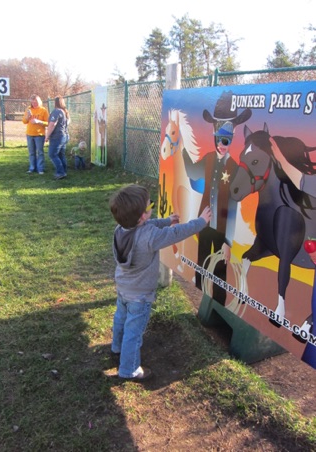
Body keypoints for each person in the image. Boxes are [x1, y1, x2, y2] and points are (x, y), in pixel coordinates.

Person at [109, 184, 212, 381]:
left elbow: (148, 225)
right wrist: (201, 222)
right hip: (140, 296)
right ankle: (129, 370)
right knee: (134, 332)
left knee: (121, 319)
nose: (152, 208)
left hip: (123, 287)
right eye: (151, 206)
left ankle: (116, 348)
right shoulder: (149, 237)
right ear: (142, 216)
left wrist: (166, 221)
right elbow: (176, 234)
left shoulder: (120, 229)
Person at [183, 91, 251, 304]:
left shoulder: (234, 167)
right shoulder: (209, 158)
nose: (221, 144)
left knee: (220, 268)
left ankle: (219, 304)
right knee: (202, 260)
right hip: (204, 222)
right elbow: (193, 173)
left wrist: (229, 240)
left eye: (226, 140)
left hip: (222, 228)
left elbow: (233, 207)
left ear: (231, 140)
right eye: (219, 139)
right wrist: (183, 148)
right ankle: (201, 300)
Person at [22, 94, 49, 174]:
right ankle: (32, 168)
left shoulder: (43, 110)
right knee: (31, 152)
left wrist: (39, 122)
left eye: (36, 102)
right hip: (29, 134)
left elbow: (48, 123)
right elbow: (24, 121)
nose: (34, 103)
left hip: (39, 135)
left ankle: (40, 168)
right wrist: (27, 117)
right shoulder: (28, 109)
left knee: (40, 152)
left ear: (39, 102)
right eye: (33, 102)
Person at [45, 96, 70, 180]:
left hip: (57, 137)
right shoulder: (64, 112)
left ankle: (60, 172)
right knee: (61, 154)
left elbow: (52, 124)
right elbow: (68, 122)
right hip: (65, 136)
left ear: (55, 103)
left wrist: (47, 136)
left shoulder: (56, 111)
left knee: (52, 154)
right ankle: (64, 171)